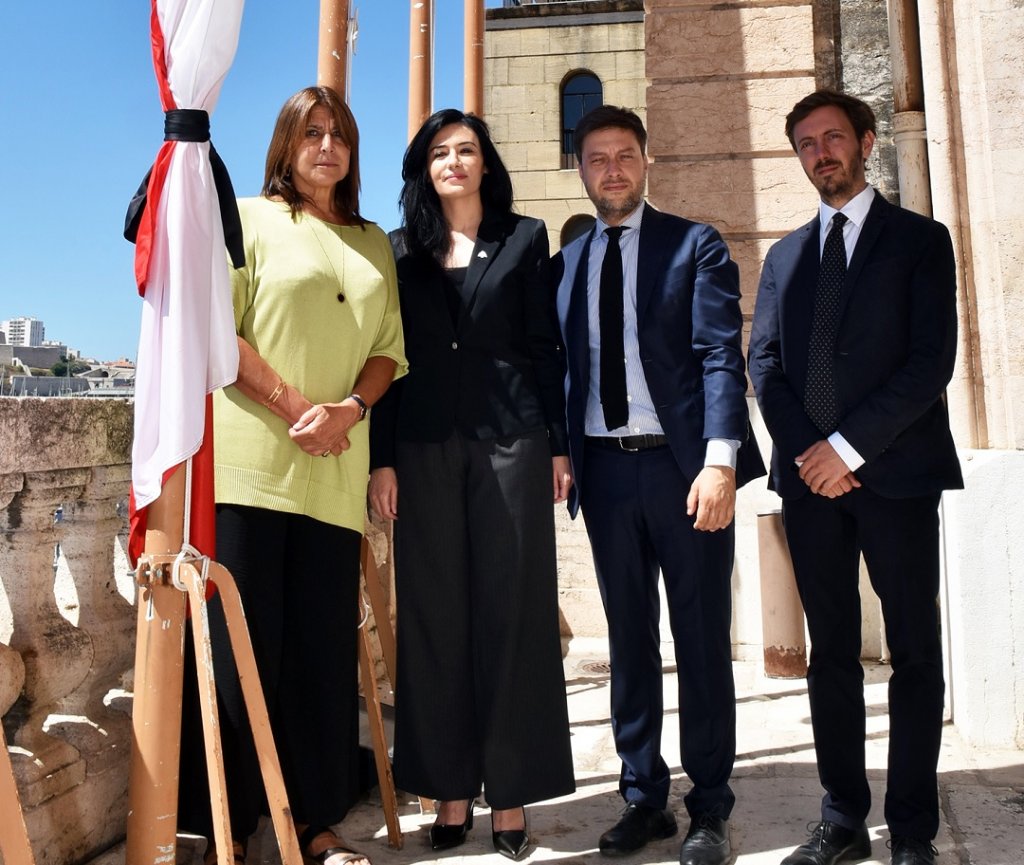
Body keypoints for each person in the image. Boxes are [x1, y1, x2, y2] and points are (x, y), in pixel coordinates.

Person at [179, 86, 406, 865]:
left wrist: (347, 409)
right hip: (250, 470)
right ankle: (230, 827)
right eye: (310, 132)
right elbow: (220, 328)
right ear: (285, 145)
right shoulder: (246, 219)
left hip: (336, 474)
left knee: (319, 656)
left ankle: (313, 825)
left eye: (338, 132)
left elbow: (389, 347)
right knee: (244, 654)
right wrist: (290, 402)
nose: (326, 146)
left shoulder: (377, 242)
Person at [748, 90, 962, 865]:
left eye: (833, 137)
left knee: (913, 652)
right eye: (806, 143)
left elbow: (929, 363)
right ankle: (841, 815)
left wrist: (849, 447)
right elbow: (763, 365)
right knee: (831, 650)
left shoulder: (920, 241)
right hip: (811, 487)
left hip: (898, 476)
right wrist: (815, 454)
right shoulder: (784, 257)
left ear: (866, 142)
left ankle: (911, 828)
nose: (821, 152)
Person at [551, 105, 764, 865]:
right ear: (581, 169)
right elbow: (558, 370)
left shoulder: (693, 244)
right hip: (605, 473)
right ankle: (644, 798)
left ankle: (710, 806)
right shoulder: (567, 261)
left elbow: (718, 355)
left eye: (625, 155)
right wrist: (559, 448)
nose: (612, 168)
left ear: (647, 163)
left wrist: (719, 459)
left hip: (684, 471)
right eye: (597, 157)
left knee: (701, 638)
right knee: (630, 643)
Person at [367, 108, 574, 861]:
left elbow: (543, 348)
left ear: (486, 163)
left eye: (467, 150)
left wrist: (555, 443)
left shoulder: (525, 239)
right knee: (433, 616)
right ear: (424, 167)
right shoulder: (399, 251)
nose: (454, 162)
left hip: (513, 440)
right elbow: (386, 359)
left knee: (514, 609)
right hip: (422, 448)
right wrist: (380, 459)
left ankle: (511, 790)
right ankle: (448, 786)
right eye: (440, 153)